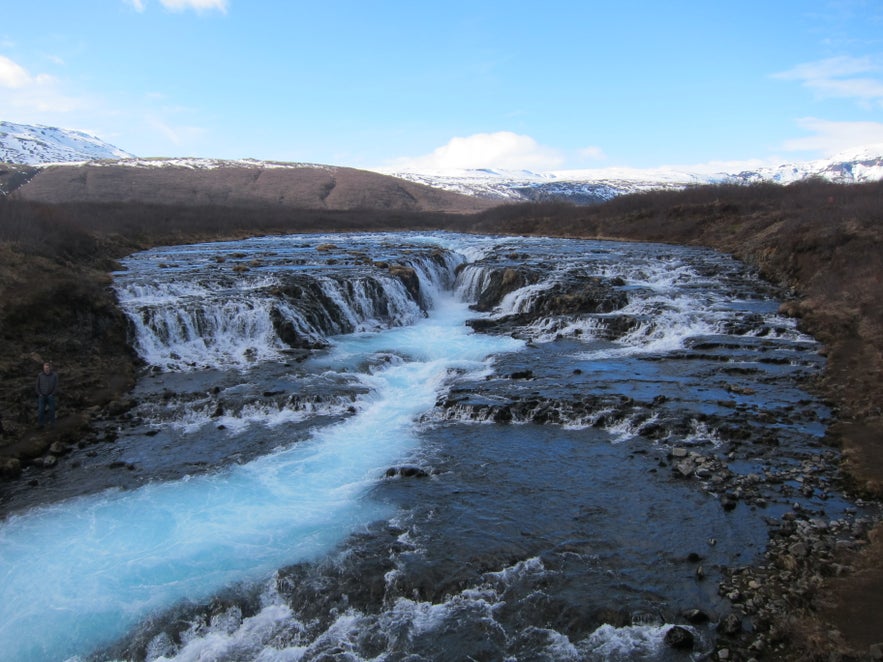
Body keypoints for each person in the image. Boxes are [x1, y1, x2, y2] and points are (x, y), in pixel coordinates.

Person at [36, 361, 58, 427]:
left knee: (52, 410)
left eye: (47, 368)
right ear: (43, 368)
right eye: (45, 368)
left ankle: (52, 423)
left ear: (49, 368)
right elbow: (37, 385)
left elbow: (56, 386)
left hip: (50, 395)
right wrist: (39, 394)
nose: (46, 369)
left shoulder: (54, 375)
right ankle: (41, 424)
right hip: (42, 396)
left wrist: (52, 394)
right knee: (40, 410)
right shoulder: (40, 375)